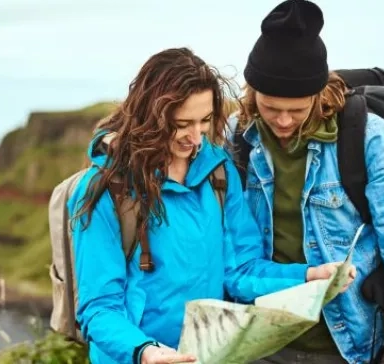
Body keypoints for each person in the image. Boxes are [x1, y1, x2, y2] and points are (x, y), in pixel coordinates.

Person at [67, 47, 355, 364]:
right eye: (181, 123)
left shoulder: (218, 173)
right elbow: (99, 308)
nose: (196, 138)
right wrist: (145, 352)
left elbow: (240, 271)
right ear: (150, 117)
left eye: (204, 120)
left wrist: (307, 277)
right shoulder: (105, 190)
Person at [226, 1, 384, 363]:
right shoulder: (235, 137)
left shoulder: (369, 139)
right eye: (270, 107)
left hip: (349, 344)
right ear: (252, 94)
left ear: (318, 92)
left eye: (297, 109)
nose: (282, 121)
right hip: (260, 340)